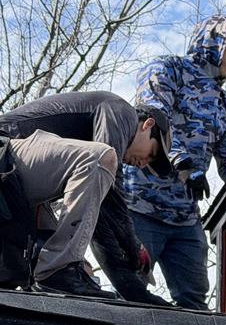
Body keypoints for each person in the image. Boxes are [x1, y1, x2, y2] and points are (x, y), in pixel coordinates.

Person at [126, 15, 226, 310]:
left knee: (195, 302)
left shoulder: (223, 103)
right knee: (131, 293)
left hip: (185, 218)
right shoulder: (167, 69)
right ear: (212, 41)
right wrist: (183, 161)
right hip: (139, 206)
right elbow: (153, 115)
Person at [0, 91, 172, 299]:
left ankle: (47, 278)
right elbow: (108, 191)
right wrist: (133, 246)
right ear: (148, 124)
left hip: (13, 180)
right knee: (101, 158)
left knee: (45, 257)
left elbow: (97, 216)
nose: (144, 164)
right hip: (6, 153)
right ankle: (57, 272)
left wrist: (135, 292)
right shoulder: (122, 111)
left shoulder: (86, 177)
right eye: (152, 154)